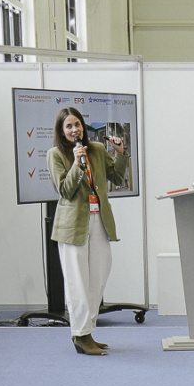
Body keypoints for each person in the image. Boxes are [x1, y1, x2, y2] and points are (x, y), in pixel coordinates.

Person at [42, 106, 130, 355]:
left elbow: (118, 178)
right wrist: (77, 164)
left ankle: (87, 330)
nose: (74, 130)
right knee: (77, 282)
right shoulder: (55, 154)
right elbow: (65, 190)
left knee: (98, 277)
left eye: (77, 124)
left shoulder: (98, 150)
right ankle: (81, 335)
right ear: (61, 131)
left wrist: (121, 154)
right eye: (68, 126)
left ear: (83, 127)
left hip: (99, 220)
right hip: (73, 226)